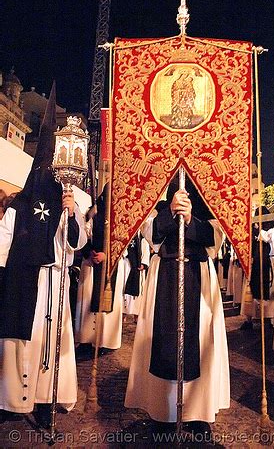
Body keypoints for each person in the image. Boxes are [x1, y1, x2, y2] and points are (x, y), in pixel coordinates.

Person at [0, 82, 87, 428]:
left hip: (53, 282)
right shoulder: (16, 208)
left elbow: (75, 244)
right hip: (23, 282)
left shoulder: (68, 204)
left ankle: (45, 398)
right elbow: (3, 248)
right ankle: (12, 399)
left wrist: (71, 212)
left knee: (48, 345)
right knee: (20, 343)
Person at [125, 173, 230, 436]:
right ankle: (163, 411)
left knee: (200, 340)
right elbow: (149, 235)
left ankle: (196, 412)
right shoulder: (159, 206)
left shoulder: (208, 206)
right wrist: (171, 211)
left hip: (198, 274)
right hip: (165, 275)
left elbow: (216, 240)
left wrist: (192, 218)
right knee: (163, 341)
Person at [75, 184, 124, 351]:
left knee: (106, 301)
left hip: (111, 264)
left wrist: (107, 255)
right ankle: (86, 338)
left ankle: (104, 340)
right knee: (88, 300)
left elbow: (122, 240)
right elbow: (83, 234)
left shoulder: (121, 215)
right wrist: (89, 252)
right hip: (91, 263)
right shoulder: (92, 213)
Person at [123, 232, 150, 324]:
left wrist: (144, 263)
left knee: (138, 291)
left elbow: (145, 247)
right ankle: (123, 313)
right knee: (123, 288)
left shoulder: (142, 234)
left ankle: (136, 315)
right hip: (126, 264)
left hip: (138, 267)